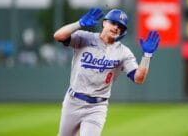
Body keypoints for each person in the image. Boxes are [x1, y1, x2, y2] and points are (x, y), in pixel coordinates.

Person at [53, 8, 160, 136]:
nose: (116, 28)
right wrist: (79, 24)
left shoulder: (123, 52)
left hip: (97, 107)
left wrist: (146, 56)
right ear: (104, 23)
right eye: (113, 23)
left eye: (120, 26)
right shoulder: (84, 37)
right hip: (73, 101)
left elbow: (139, 78)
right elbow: (58, 36)